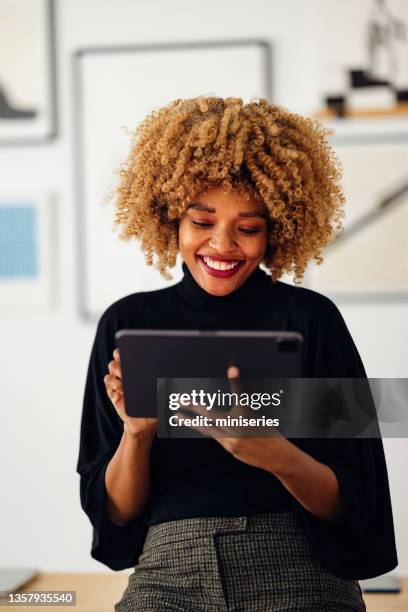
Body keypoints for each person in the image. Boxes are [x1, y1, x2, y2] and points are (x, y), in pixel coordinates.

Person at [76, 97, 398, 611]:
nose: (222, 245)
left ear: (276, 231)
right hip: (167, 575)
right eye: (202, 222)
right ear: (170, 219)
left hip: (298, 569)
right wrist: (137, 435)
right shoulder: (128, 324)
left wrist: (278, 456)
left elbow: (356, 504)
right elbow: (115, 518)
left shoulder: (311, 321)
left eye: (248, 228)